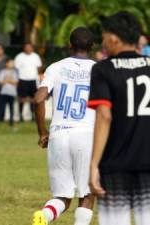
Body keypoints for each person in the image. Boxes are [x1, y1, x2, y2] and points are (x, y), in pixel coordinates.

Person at [88, 12, 150, 225]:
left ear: (114, 38)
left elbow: (104, 115)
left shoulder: (103, 69)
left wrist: (94, 165)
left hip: (115, 163)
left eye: (104, 37)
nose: (103, 43)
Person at [32, 27, 96, 225]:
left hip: (59, 135)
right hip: (86, 135)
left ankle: (44, 216)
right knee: (87, 193)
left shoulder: (55, 67)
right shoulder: (99, 69)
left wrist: (43, 132)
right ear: (92, 47)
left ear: (70, 45)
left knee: (62, 196)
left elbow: (39, 99)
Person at [14, 43, 42, 121]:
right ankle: (20, 115)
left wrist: (37, 76)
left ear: (32, 48)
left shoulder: (36, 56)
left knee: (33, 99)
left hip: (33, 80)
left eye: (29, 47)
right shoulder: (19, 57)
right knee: (22, 98)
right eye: (26, 47)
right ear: (24, 48)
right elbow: (16, 68)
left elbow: (39, 67)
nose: (28, 49)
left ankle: (33, 115)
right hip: (22, 79)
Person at [0, 58, 18, 127]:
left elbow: (16, 82)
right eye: (10, 63)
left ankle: (11, 121)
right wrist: (10, 80)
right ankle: (0, 120)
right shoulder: (2, 72)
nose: (12, 64)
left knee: (11, 108)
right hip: (4, 92)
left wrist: (7, 80)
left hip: (12, 93)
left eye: (13, 63)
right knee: (2, 107)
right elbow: (1, 82)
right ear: (6, 64)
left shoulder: (15, 72)